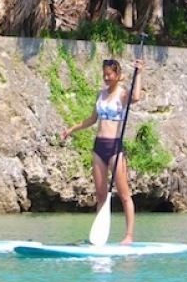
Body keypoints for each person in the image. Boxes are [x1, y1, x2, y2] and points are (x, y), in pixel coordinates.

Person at [61, 57, 145, 244]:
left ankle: (129, 236)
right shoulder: (101, 94)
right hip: (99, 147)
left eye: (110, 74)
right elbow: (92, 120)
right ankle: (99, 237)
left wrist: (139, 73)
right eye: (104, 74)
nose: (106, 78)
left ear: (118, 75)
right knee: (100, 195)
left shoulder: (123, 95)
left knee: (124, 195)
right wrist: (71, 129)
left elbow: (137, 97)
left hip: (115, 147)